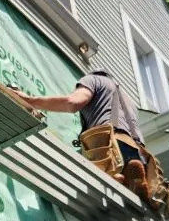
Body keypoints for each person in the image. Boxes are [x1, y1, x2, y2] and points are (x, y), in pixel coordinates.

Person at [12, 69, 151, 202]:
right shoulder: (128, 100)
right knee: (121, 176)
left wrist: (30, 101)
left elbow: (72, 103)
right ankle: (126, 179)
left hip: (110, 146)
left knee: (77, 174)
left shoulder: (93, 80)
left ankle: (114, 176)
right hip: (135, 152)